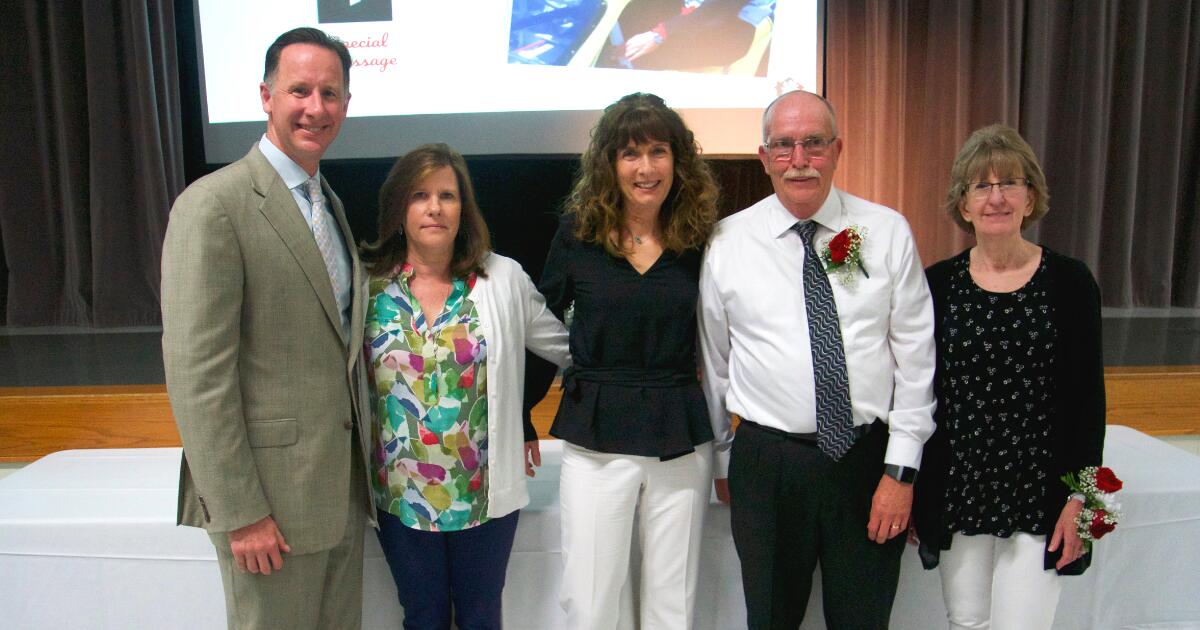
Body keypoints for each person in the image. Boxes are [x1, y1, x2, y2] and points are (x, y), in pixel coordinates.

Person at [698, 90, 936, 629]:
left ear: (837, 150)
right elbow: (713, 365)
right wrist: (722, 460)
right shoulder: (727, 242)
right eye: (784, 146)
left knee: (862, 621)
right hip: (768, 465)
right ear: (764, 157)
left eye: (814, 143)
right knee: (771, 620)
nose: (799, 160)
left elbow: (916, 361)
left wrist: (901, 470)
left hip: (867, 463)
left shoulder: (886, 231)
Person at [161, 27, 374, 629]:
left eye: (330, 93)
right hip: (267, 511)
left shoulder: (327, 202)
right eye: (299, 90)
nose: (316, 108)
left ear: (346, 104)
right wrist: (239, 511)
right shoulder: (213, 205)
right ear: (265, 96)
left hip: (337, 495)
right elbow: (198, 377)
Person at [361, 144, 570, 630]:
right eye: (419, 195)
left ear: (464, 209)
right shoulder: (368, 286)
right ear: (399, 209)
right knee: (423, 617)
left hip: (484, 495)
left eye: (447, 196)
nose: (434, 207)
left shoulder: (502, 278)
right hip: (399, 495)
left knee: (480, 618)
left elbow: (563, 347)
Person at [911, 124, 1106, 630]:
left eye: (1010, 183)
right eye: (981, 185)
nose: (996, 197)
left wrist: (1082, 499)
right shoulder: (936, 285)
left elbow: (1089, 403)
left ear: (1031, 197)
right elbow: (921, 393)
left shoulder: (1070, 282)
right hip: (959, 489)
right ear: (963, 203)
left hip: (1040, 492)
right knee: (966, 622)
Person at [537, 92, 719, 629]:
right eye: (630, 153)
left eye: (658, 151)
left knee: (672, 604)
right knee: (590, 599)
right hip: (596, 434)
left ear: (677, 161)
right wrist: (528, 409)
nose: (646, 168)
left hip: (680, 436)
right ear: (609, 163)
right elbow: (541, 319)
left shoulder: (701, 237)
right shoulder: (578, 233)